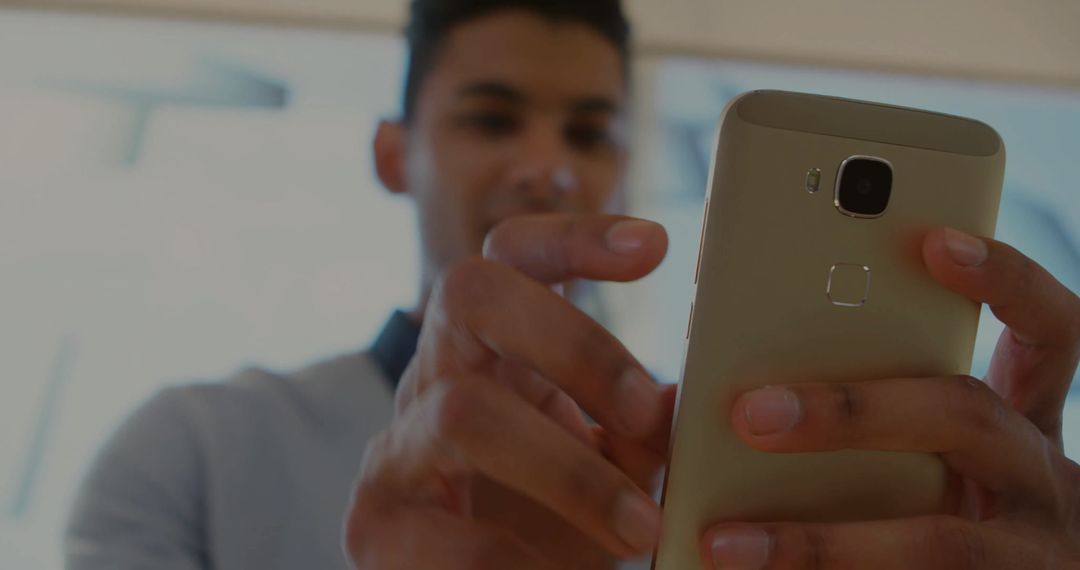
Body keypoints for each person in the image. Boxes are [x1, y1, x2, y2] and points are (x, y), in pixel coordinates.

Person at [66, 0, 1080, 569]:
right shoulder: (190, 445)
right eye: (493, 118)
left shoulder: (727, 465)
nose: (550, 165)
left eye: (591, 133)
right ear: (391, 153)